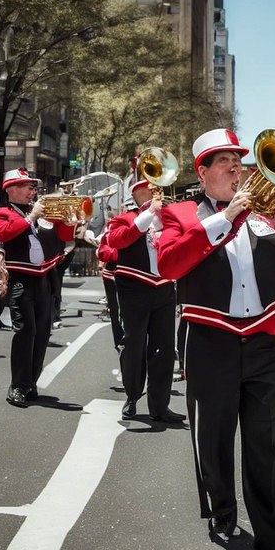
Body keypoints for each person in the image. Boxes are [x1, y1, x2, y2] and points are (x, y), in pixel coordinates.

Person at [156, 128, 275, 550]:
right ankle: (221, 505)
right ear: (203, 171)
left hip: (267, 340)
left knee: (266, 445)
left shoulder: (269, 213)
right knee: (212, 438)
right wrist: (225, 217)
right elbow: (170, 263)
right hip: (209, 339)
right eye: (224, 161)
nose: (237, 167)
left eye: (239, 159)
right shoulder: (179, 213)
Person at [0, 168, 83, 410]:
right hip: (22, 279)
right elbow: (5, 233)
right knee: (25, 331)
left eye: (33, 187)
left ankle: (31, 382)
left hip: (44, 278)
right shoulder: (3, 213)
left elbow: (62, 235)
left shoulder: (41, 214)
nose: (33, 191)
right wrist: (31, 217)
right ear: (11, 189)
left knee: (42, 331)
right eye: (27, 186)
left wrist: (69, 222)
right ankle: (17, 385)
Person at [105, 178, 185, 423]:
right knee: (133, 345)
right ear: (136, 193)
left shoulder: (171, 219)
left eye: (156, 187)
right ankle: (132, 396)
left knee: (162, 350)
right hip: (134, 289)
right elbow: (116, 241)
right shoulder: (125, 218)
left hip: (163, 289)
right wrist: (149, 213)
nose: (154, 192)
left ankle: (160, 406)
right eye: (147, 189)